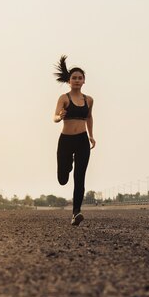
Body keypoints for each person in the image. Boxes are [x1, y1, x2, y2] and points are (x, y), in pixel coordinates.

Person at [53, 55, 95, 226]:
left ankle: (76, 213)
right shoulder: (64, 98)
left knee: (80, 177)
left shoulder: (89, 100)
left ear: (84, 80)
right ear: (69, 81)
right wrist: (59, 116)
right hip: (66, 141)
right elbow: (55, 117)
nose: (77, 80)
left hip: (82, 141)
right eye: (74, 78)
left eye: (80, 78)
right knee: (63, 178)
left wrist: (91, 135)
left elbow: (89, 117)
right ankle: (67, 164)